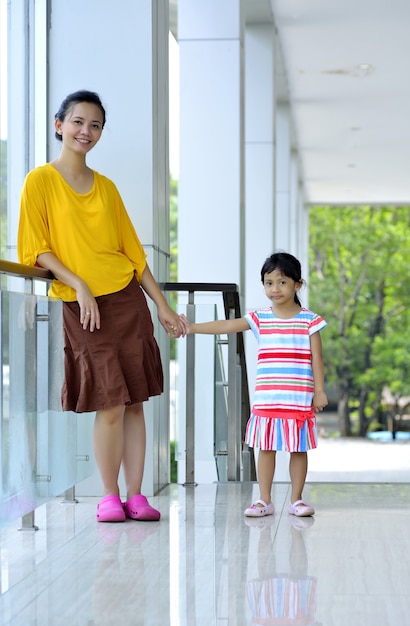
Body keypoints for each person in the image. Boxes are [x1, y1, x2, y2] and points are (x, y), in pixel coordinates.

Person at [17, 89, 187, 523]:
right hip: (82, 305)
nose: (85, 132)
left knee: (135, 401)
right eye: (77, 122)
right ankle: (109, 496)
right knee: (110, 401)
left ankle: (136, 495)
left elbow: (133, 255)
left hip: (127, 301)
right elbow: (35, 250)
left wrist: (162, 307)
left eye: (94, 126)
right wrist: (79, 285)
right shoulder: (40, 181)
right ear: (59, 125)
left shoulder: (107, 188)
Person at [182, 252, 327, 518]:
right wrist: (191, 327)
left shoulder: (310, 321)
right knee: (266, 448)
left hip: (298, 398)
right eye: (269, 282)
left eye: (282, 282)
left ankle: (296, 500)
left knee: (298, 449)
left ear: (298, 284)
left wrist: (319, 391)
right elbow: (227, 325)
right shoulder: (260, 318)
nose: (275, 289)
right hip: (268, 398)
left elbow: (317, 357)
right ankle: (264, 500)